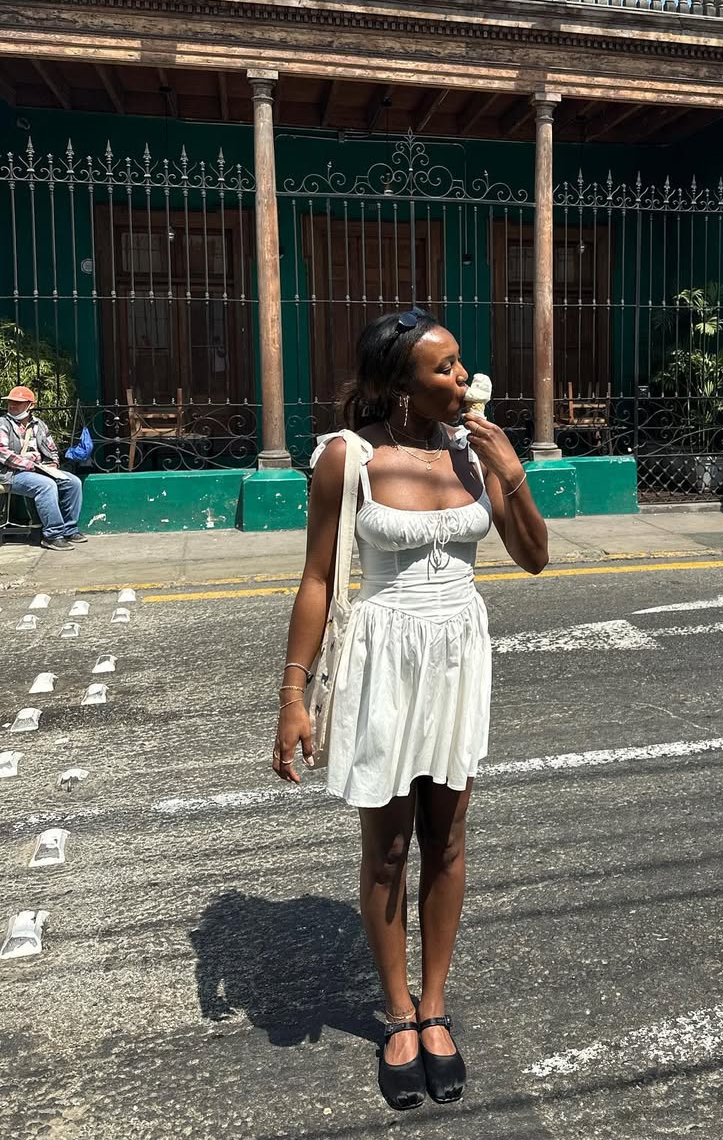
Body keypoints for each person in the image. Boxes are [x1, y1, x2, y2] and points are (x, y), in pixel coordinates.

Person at [271, 309, 548, 1111]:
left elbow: (534, 558)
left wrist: (510, 470)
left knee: (449, 839)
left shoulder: (475, 451)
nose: (463, 378)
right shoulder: (347, 458)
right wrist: (292, 695)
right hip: (384, 662)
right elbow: (317, 579)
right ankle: (397, 1015)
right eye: (445, 368)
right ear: (400, 384)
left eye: (460, 363)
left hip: (458, 657)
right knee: (389, 849)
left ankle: (434, 1007)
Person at [0, 387, 86, 550]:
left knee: (73, 482)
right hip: (11, 473)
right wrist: (30, 466)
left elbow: (52, 448)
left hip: (39, 468)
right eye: (10, 402)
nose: (12, 405)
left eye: (18, 402)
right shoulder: (3, 424)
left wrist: (53, 463)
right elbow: (2, 452)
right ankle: (53, 535)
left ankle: (69, 529)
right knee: (46, 485)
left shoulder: (39, 425)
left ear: (30, 405)